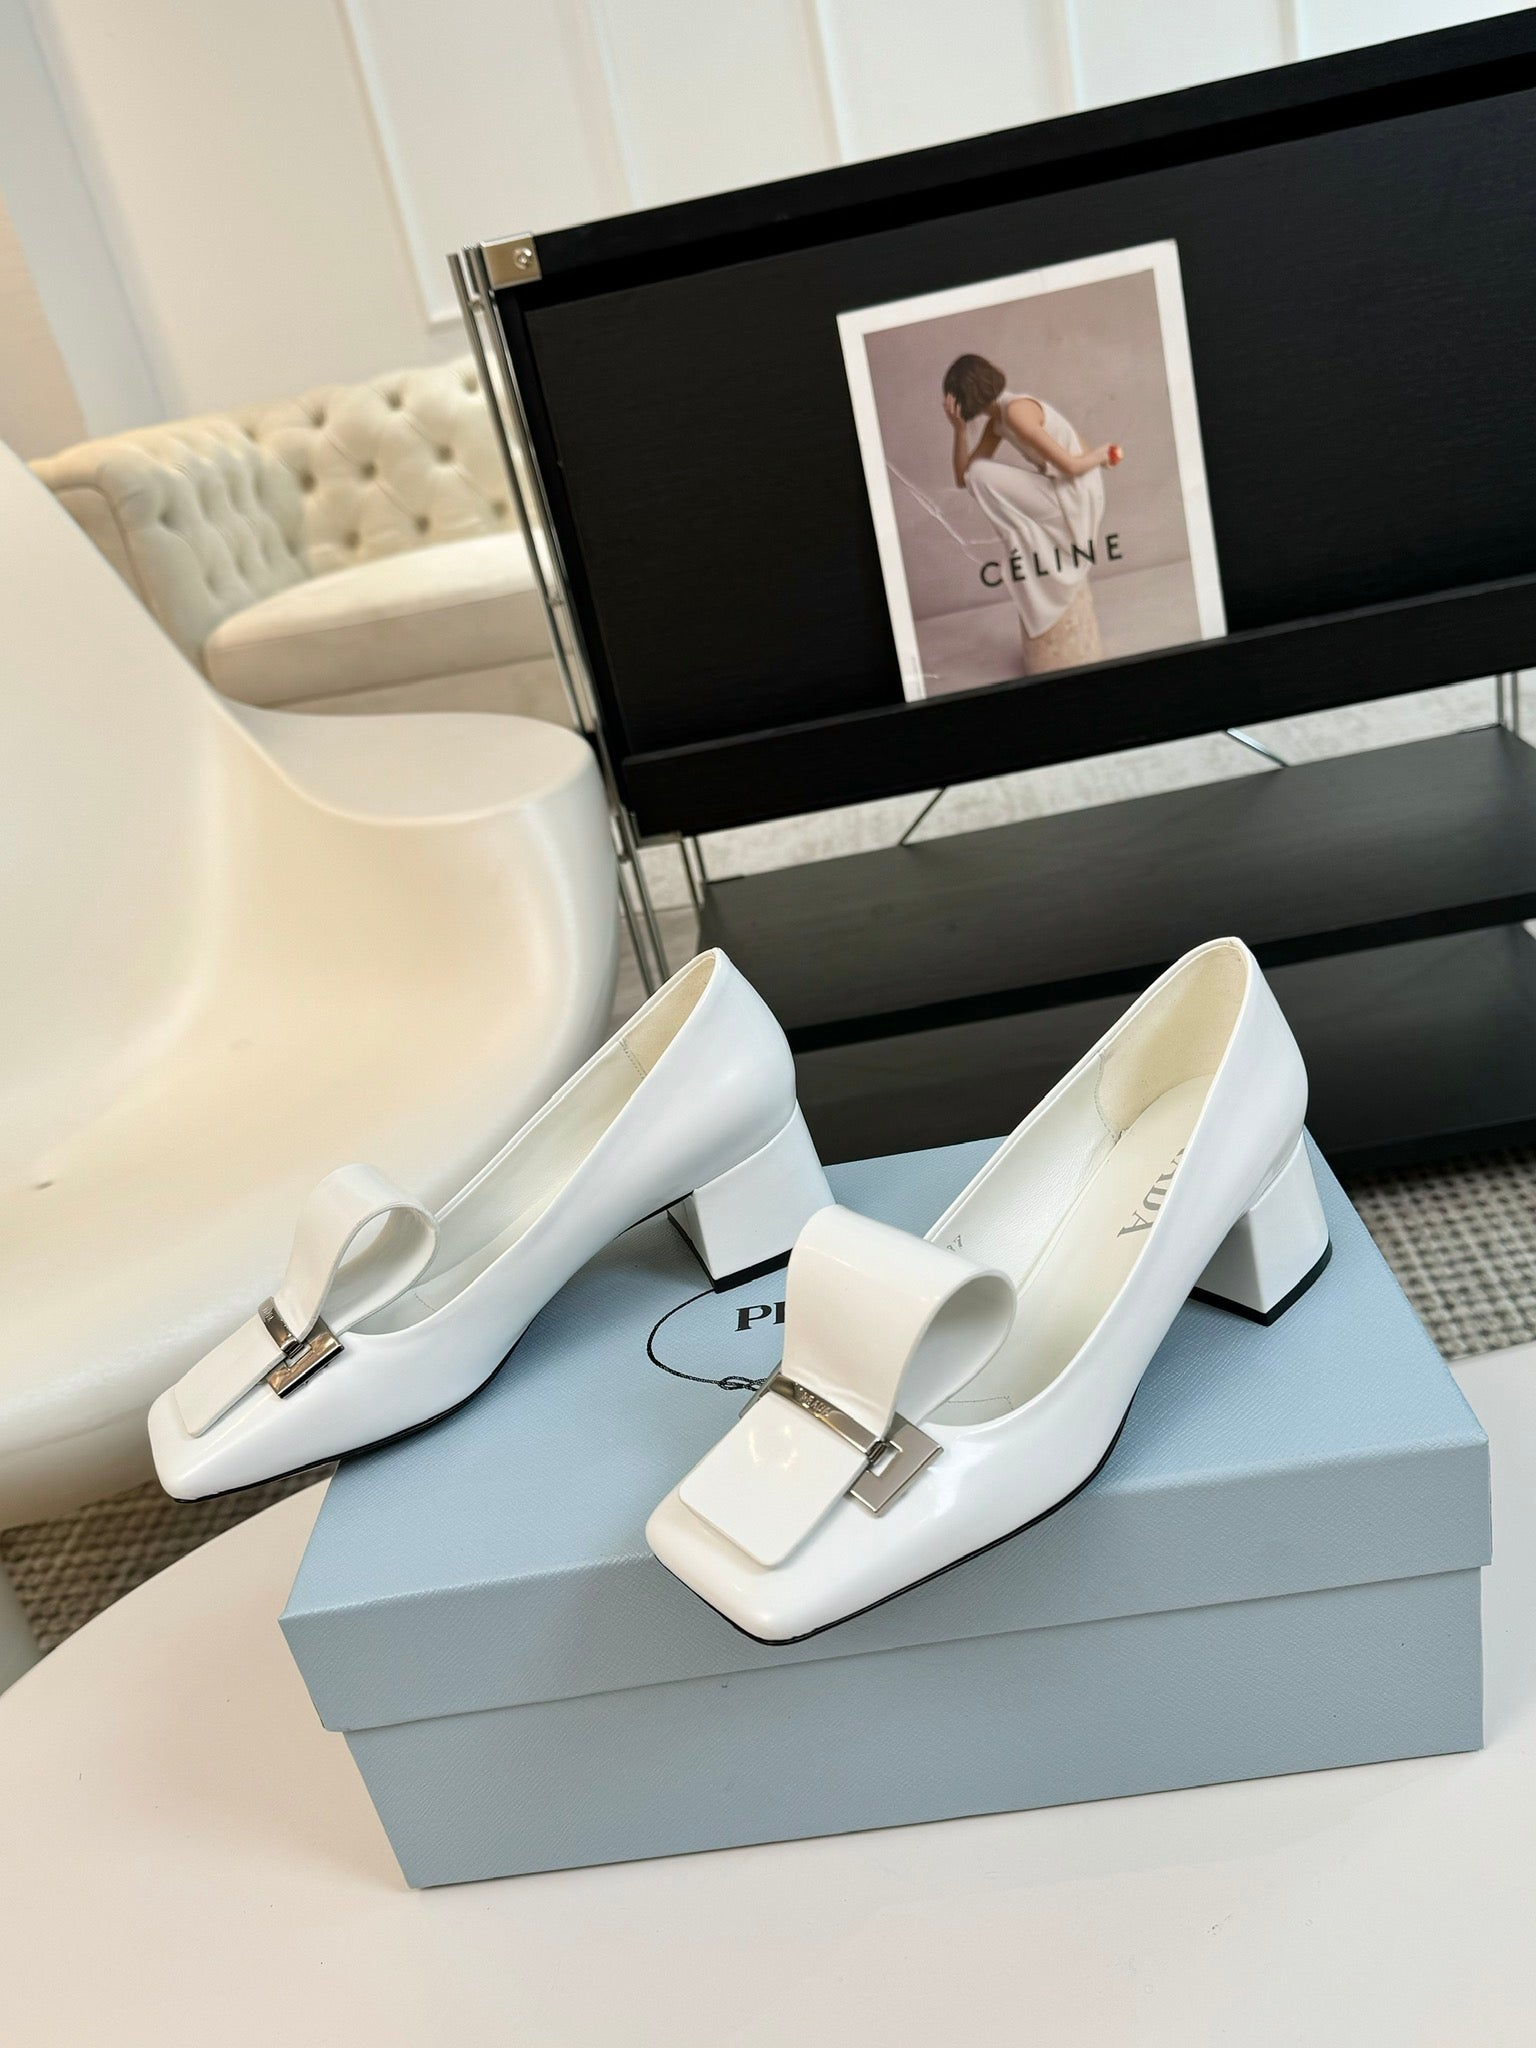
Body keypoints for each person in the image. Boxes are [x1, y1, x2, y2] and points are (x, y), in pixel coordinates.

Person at [942, 352, 1122, 659]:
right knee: (978, 473)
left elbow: (1070, 467)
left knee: (981, 472)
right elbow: (964, 479)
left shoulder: (1017, 412)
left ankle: (1027, 536)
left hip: (1076, 494)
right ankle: (1026, 537)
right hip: (1061, 489)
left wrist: (1102, 454)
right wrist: (958, 431)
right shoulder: (998, 421)